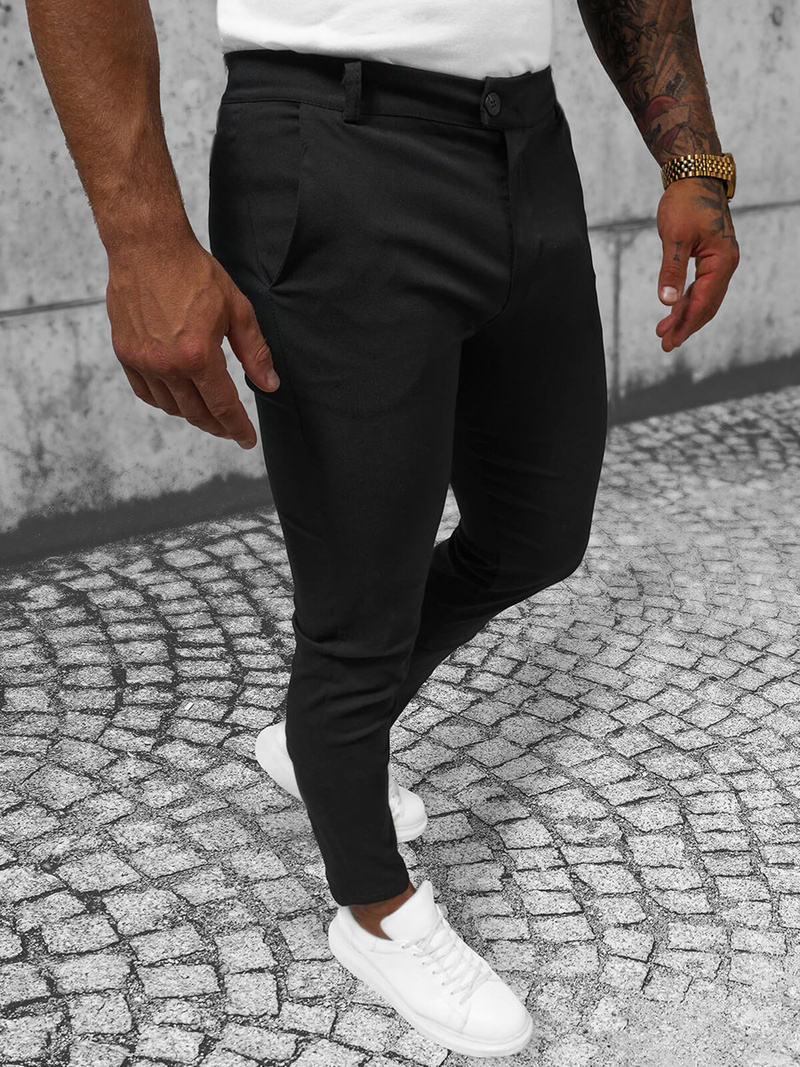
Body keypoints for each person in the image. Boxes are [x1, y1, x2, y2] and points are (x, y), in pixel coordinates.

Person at [25, 0, 739, 1056]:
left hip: (526, 145)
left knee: (538, 530)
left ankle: (315, 733)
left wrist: (693, 161)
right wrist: (141, 240)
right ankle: (372, 908)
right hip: (330, 146)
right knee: (358, 604)